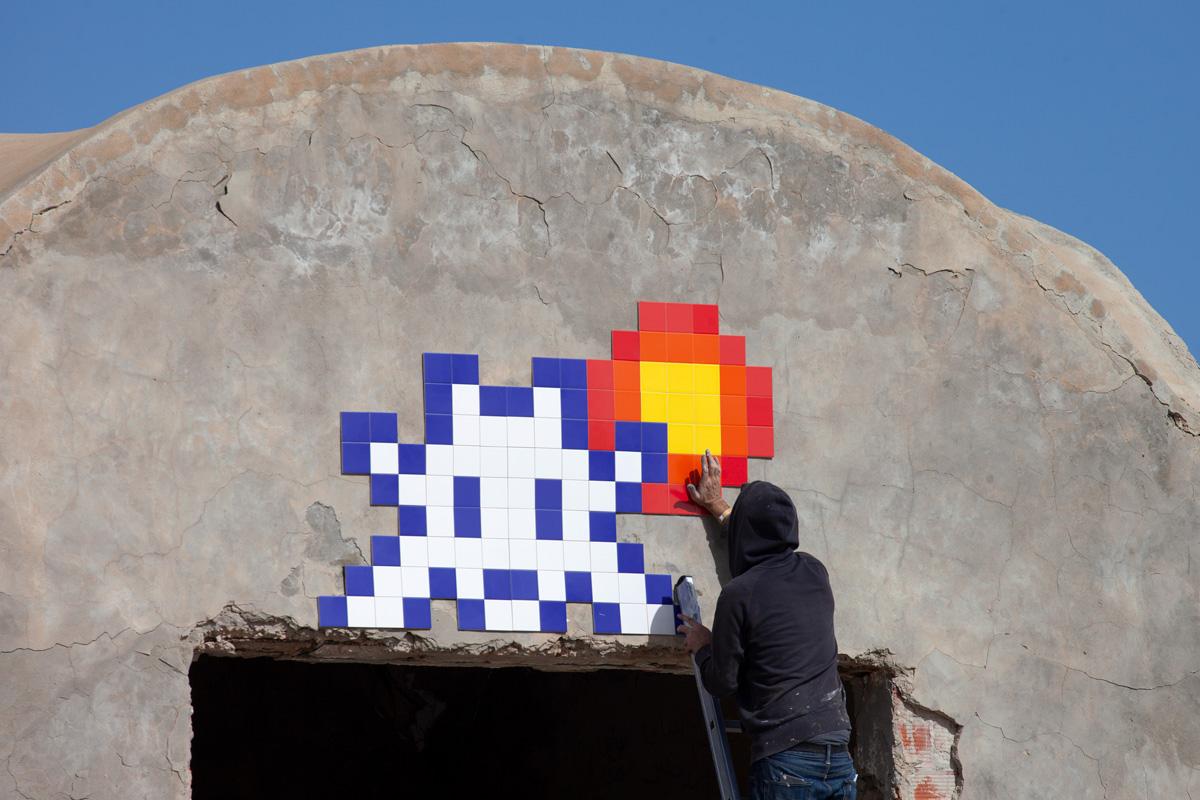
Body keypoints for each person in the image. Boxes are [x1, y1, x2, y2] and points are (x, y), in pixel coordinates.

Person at [678, 451, 857, 799]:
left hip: (786, 760)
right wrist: (720, 507)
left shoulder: (737, 595)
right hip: (838, 753)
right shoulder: (815, 572)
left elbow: (723, 680)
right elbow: (763, 538)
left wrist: (703, 648)